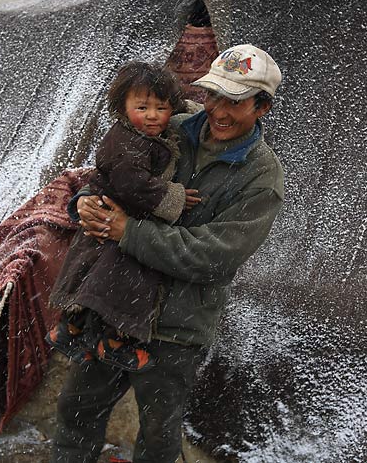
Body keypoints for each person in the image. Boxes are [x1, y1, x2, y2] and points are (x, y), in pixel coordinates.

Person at [51, 44, 285, 463]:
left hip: (176, 328)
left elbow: (214, 256)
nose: (219, 111)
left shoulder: (261, 178)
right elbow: (115, 174)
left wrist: (129, 232)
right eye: (214, 96)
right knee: (78, 410)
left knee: (158, 438)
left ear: (262, 107)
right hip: (116, 304)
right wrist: (86, 200)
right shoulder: (168, 127)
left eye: (235, 102)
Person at [47, 61, 201, 373]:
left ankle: (74, 331)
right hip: (115, 216)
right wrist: (176, 197)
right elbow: (133, 186)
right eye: (142, 107)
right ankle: (114, 343)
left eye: (162, 107)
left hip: (124, 220)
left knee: (99, 280)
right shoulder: (126, 142)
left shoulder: (153, 132)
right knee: (122, 284)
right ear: (121, 107)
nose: (153, 115)